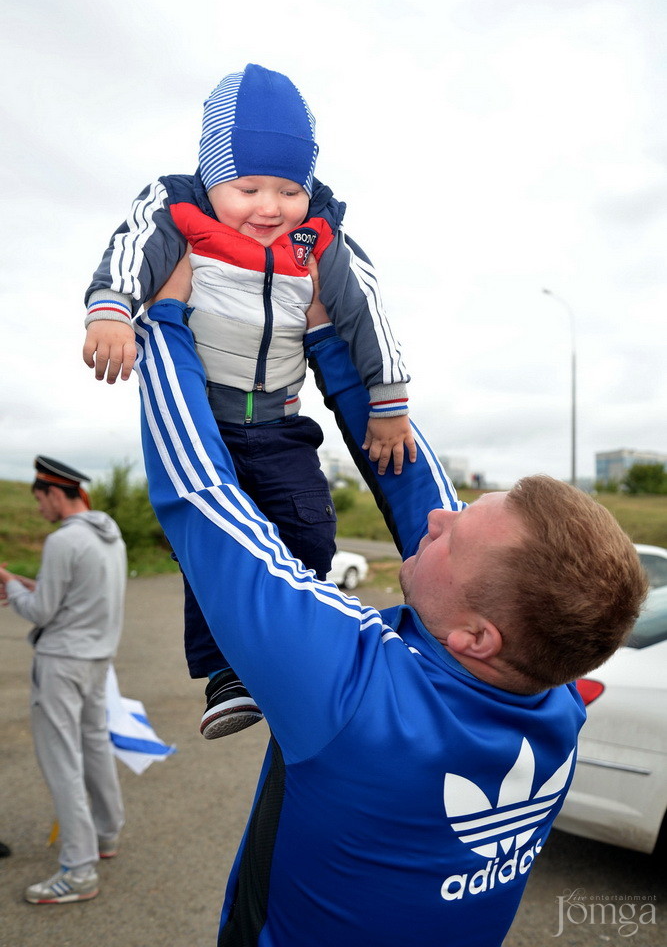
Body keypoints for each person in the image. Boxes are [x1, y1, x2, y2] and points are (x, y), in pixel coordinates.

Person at [134, 298, 647, 947]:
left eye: (452, 538)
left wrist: (160, 320)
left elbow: (201, 496)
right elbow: (414, 484)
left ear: (476, 637)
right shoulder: (555, 689)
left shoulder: (352, 698)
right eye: (463, 510)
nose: (436, 520)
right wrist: (325, 330)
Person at [82, 63, 416, 739]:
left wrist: (389, 400)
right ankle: (225, 676)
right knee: (209, 538)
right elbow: (131, 251)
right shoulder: (179, 210)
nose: (270, 206)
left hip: (276, 418)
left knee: (309, 528)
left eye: (289, 189)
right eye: (248, 187)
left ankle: (294, 641)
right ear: (211, 177)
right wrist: (111, 311)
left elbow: (364, 313)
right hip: (199, 415)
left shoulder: (316, 237)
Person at [0, 458, 126, 905]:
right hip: (97, 659)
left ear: (55, 493)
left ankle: (78, 871)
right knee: (93, 746)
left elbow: (41, 612)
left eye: (38, 500)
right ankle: (107, 834)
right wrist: (22, 583)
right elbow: (73, 595)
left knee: (62, 762)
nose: (38, 509)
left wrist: (9, 586)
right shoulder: (107, 534)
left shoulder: (63, 540)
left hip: (61, 663)